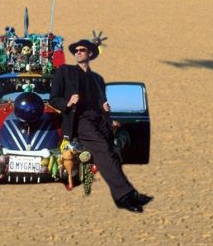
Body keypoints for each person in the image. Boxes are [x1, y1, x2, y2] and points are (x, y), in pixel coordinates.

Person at [48, 39, 153, 213]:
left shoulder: (97, 79)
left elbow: (100, 103)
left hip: (99, 120)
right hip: (80, 121)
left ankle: (125, 195)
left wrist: (107, 113)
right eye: (76, 50)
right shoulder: (65, 71)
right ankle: (126, 195)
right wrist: (67, 102)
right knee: (103, 149)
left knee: (111, 152)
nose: (79, 52)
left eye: (83, 50)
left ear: (90, 54)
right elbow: (53, 99)